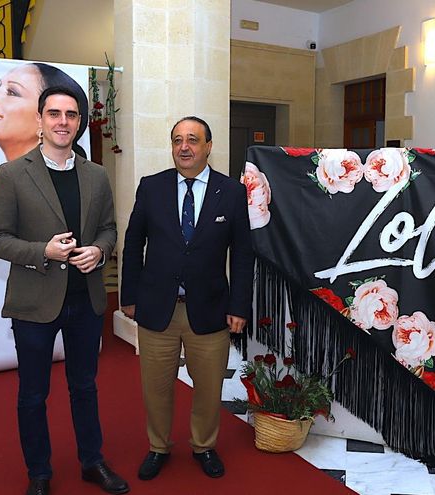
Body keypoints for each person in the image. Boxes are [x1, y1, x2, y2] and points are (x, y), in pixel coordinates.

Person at [0, 86, 128, 495]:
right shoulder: (12, 174)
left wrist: (99, 252)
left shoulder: (96, 174)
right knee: (33, 395)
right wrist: (42, 252)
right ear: (40, 121)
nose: (62, 121)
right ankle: (40, 473)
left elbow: (108, 229)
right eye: (54, 114)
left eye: (70, 114)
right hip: (34, 303)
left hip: (86, 300)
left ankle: (92, 461)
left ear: (79, 123)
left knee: (85, 387)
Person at [120, 116, 254, 481]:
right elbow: (134, 243)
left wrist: (239, 306)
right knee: (156, 387)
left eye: (193, 140)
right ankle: (158, 447)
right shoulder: (152, 187)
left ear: (208, 146)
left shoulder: (231, 192)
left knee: (209, 388)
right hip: (156, 309)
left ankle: (204, 446)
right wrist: (128, 296)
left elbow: (242, 253)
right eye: (178, 140)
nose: (184, 147)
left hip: (210, 310)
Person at [0, 63, 89, 161]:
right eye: (54, 114)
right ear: (40, 118)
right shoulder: (6, 175)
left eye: (12, 92)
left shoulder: (94, 175)